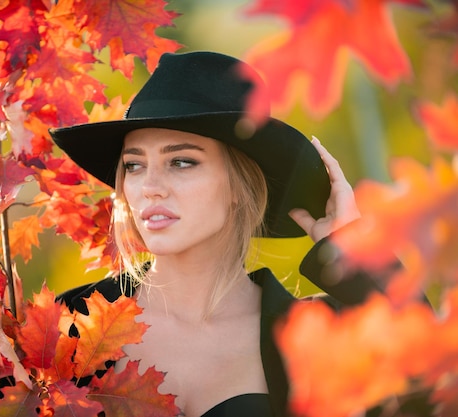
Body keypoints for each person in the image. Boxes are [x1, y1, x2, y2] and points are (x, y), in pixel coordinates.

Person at [49, 51, 378, 417]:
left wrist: (349, 247)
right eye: (135, 165)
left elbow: (430, 386)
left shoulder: (314, 335)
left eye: (181, 161)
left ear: (239, 185)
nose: (150, 187)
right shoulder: (65, 323)